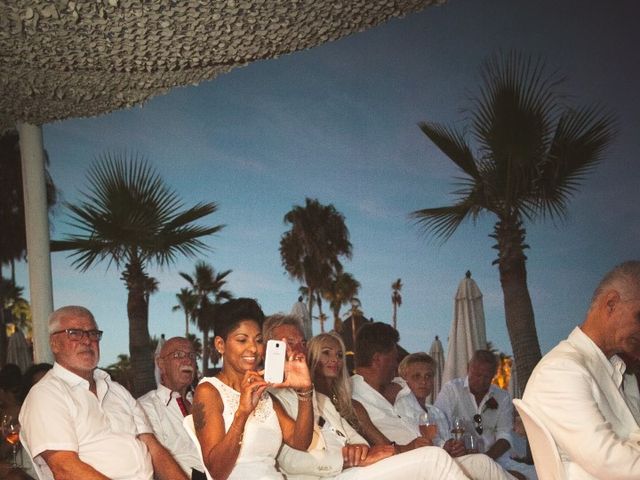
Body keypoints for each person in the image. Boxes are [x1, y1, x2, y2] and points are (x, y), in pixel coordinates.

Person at [264, 316, 470, 480]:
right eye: (289, 343)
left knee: (475, 463)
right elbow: (290, 460)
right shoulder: (270, 399)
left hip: (354, 470)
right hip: (328, 474)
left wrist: (360, 451)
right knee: (434, 460)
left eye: (302, 343)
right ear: (269, 348)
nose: (299, 349)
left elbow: (358, 440)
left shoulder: (323, 400)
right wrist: (347, 459)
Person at [19, 305, 188, 480]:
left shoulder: (116, 390)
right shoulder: (46, 395)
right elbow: (65, 468)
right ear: (54, 344)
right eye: (75, 333)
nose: (87, 341)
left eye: (93, 334)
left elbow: (154, 449)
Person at [351, 321, 517, 480]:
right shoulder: (352, 396)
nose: (396, 364)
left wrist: (444, 446)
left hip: (429, 455)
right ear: (377, 359)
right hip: (401, 464)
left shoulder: (401, 388)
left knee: (482, 463)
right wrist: (414, 448)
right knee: (438, 458)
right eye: (394, 359)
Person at [523, 260, 640, 479]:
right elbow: (608, 461)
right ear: (611, 304)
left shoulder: (621, 371)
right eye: (639, 316)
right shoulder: (559, 371)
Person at [191, 298, 314, 480]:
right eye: (242, 340)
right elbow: (216, 472)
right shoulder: (209, 391)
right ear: (220, 345)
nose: (253, 349)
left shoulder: (263, 393)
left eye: (258, 340)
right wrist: (242, 413)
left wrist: (305, 392)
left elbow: (300, 442)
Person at [138, 336, 205, 479]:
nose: (187, 361)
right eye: (178, 355)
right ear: (161, 364)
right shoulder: (145, 407)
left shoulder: (202, 402)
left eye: (191, 356)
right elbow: (154, 462)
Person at [394, 352, 455, 448]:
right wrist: (444, 446)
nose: (423, 382)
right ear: (405, 379)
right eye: (416, 376)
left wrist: (454, 447)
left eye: (428, 376)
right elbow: (418, 440)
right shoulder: (401, 406)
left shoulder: (437, 412)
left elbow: (448, 441)